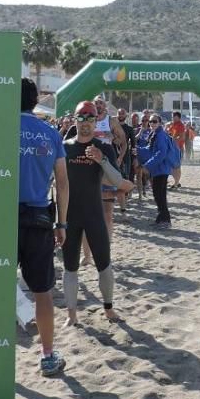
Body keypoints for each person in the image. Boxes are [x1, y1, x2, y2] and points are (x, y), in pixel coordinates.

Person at [61, 101, 135, 327]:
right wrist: (58, 221)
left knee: (104, 264)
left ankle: (109, 309)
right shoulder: (64, 147)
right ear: (75, 120)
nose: (85, 124)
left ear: (96, 121)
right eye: (81, 119)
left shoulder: (104, 148)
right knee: (70, 267)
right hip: (70, 216)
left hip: (94, 214)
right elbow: (56, 184)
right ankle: (71, 315)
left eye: (90, 119)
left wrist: (101, 160)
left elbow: (115, 181)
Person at [18, 78, 69, 376]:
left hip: (1, 219)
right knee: (43, 292)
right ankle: (48, 355)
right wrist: (62, 222)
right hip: (39, 219)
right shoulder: (50, 133)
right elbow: (62, 184)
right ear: (36, 101)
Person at [90, 95, 128, 236]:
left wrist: (119, 157)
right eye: (96, 103)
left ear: (105, 106)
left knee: (110, 201)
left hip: (107, 162)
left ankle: (123, 212)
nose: (98, 105)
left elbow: (123, 141)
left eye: (100, 103)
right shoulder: (88, 120)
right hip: (90, 163)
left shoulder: (111, 121)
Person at [143, 115, 176, 227]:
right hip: (159, 169)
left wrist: (148, 165)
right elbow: (150, 150)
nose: (152, 123)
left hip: (161, 169)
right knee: (159, 195)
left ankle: (165, 220)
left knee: (159, 195)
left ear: (160, 123)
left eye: (154, 121)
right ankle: (161, 218)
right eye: (150, 121)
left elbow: (161, 153)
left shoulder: (160, 135)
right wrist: (137, 150)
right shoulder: (155, 134)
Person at [116, 108, 135, 213]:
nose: (121, 115)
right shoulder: (112, 127)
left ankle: (124, 201)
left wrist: (135, 158)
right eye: (119, 113)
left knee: (125, 177)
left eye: (122, 113)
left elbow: (133, 145)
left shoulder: (129, 129)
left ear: (126, 115)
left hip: (126, 156)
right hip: (113, 154)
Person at [166, 111, 186, 189]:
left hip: (178, 148)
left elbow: (182, 137)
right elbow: (169, 133)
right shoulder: (173, 124)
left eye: (173, 116)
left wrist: (174, 140)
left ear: (178, 117)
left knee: (177, 166)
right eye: (172, 116)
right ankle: (176, 182)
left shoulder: (181, 125)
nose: (172, 118)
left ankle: (176, 183)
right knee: (172, 166)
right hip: (172, 148)